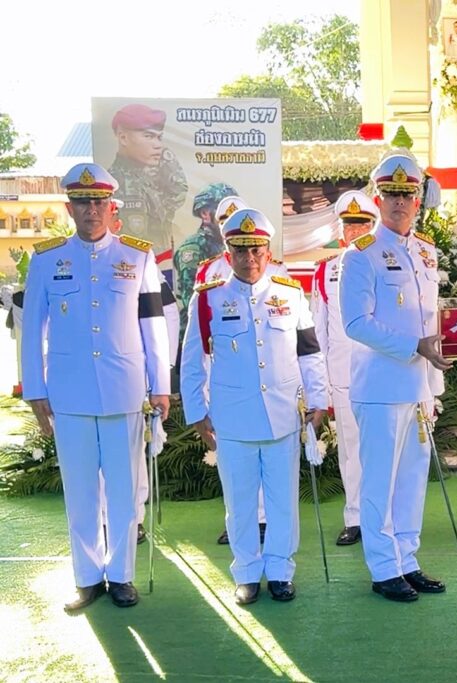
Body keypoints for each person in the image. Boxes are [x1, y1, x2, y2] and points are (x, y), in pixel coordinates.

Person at [21, 163, 171, 612]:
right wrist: (35, 389)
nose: (91, 209)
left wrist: (160, 385)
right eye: (82, 202)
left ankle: (121, 576)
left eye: (99, 201)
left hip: (124, 390)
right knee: (81, 492)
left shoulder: (136, 256)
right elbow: (32, 329)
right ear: (69, 208)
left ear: (111, 206)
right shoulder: (46, 260)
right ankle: (87, 578)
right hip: (69, 395)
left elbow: (153, 326)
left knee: (124, 492)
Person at [180, 208, 328, 605]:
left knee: (282, 501)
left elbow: (310, 353)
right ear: (228, 253)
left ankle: (280, 571)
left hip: (282, 416)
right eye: (241, 250)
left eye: (257, 250)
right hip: (232, 420)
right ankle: (246, 572)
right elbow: (193, 360)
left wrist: (318, 401)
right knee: (240, 503)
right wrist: (197, 413)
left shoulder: (290, 294)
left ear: (268, 252)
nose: (250, 259)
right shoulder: (208, 299)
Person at [340, 153, 450, 603]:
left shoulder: (425, 251)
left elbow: (431, 321)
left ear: (418, 199)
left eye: (407, 193)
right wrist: (413, 347)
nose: (400, 201)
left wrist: (434, 385)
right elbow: (355, 324)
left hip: (418, 387)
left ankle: (407, 559)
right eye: (391, 193)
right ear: (377, 198)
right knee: (380, 482)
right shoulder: (360, 255)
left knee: (410, 481)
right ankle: (384, 568)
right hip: (381, 387)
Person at [106, 198, 180, 545]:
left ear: (116, 223)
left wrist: (161, 372)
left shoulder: (135, 260)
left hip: (130, 376)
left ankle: (133, 518)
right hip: (88, 381)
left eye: (110, 217)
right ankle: (103, 520)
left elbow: (165, 316)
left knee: (131, 456)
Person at [310, 190, 379, 546]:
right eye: (349, 225)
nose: (354, 232)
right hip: (344, 374)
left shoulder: (386, 264)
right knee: (351, 450)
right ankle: (355, 517)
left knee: (381, 449)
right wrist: (320, 385)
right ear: (340, 230)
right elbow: (318, 333)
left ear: (373, 227)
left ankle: (382, 517)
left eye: (362, 224)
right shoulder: (325, 272)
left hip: (381, 374)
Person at [108, 103, 188, 253]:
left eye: (159, 138)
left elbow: (178, 193)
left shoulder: (150, 177)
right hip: (132, 262)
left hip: (158, 259)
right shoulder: (115, 184)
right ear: (123, 138)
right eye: (149, 136)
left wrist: (168, 161)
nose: (158, 145)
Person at [174, 184, 238, 307]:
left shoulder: (233, 245)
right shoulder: (194, 249)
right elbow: (193, 301)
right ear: (205, 214)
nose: (231, 217)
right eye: (224, 211)